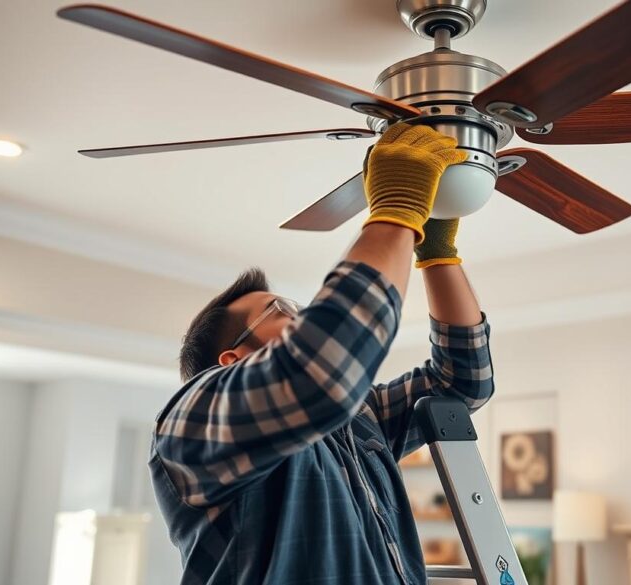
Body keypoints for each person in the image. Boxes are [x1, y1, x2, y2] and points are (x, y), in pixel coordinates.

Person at [149, 122, 495, 584]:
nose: (301, 316)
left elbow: (461, 386)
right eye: (280, 312)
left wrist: (436, 256)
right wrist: (397, 210)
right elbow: (324, 368)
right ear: (230, 361)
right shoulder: (193, 423)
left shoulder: (355, 421)